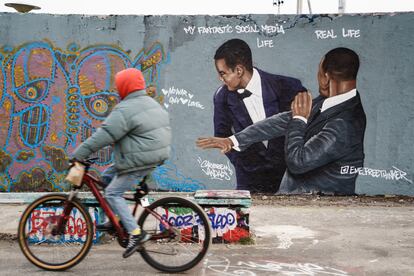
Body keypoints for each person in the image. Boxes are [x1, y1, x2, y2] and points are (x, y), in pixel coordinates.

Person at [197, 47, 366, 195]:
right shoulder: (325, 102)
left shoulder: (344, 124)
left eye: (319, 73)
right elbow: (282, 121)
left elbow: (298, 162)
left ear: (326, 77)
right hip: (288, 196)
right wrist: (233, 140)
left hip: (317, 207)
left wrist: (299, 119)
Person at [72, 68, 171, 258]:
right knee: (107, 176)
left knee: (111, 192)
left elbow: (105, 135)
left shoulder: (126, 108)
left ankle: (136, 233)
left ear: (124, 87)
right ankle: (116, 219)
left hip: (139, 159)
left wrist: (79, 154)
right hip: (150, 155)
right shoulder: (149, 102)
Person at [213, 38, 305, 193]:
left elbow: (305, 125)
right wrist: (242, 162)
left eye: (223, 73)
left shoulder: (289, 87)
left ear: (239, 70)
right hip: (250, 183)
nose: (220, 79)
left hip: (288, 181)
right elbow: (221, 135)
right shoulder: (221, 97)